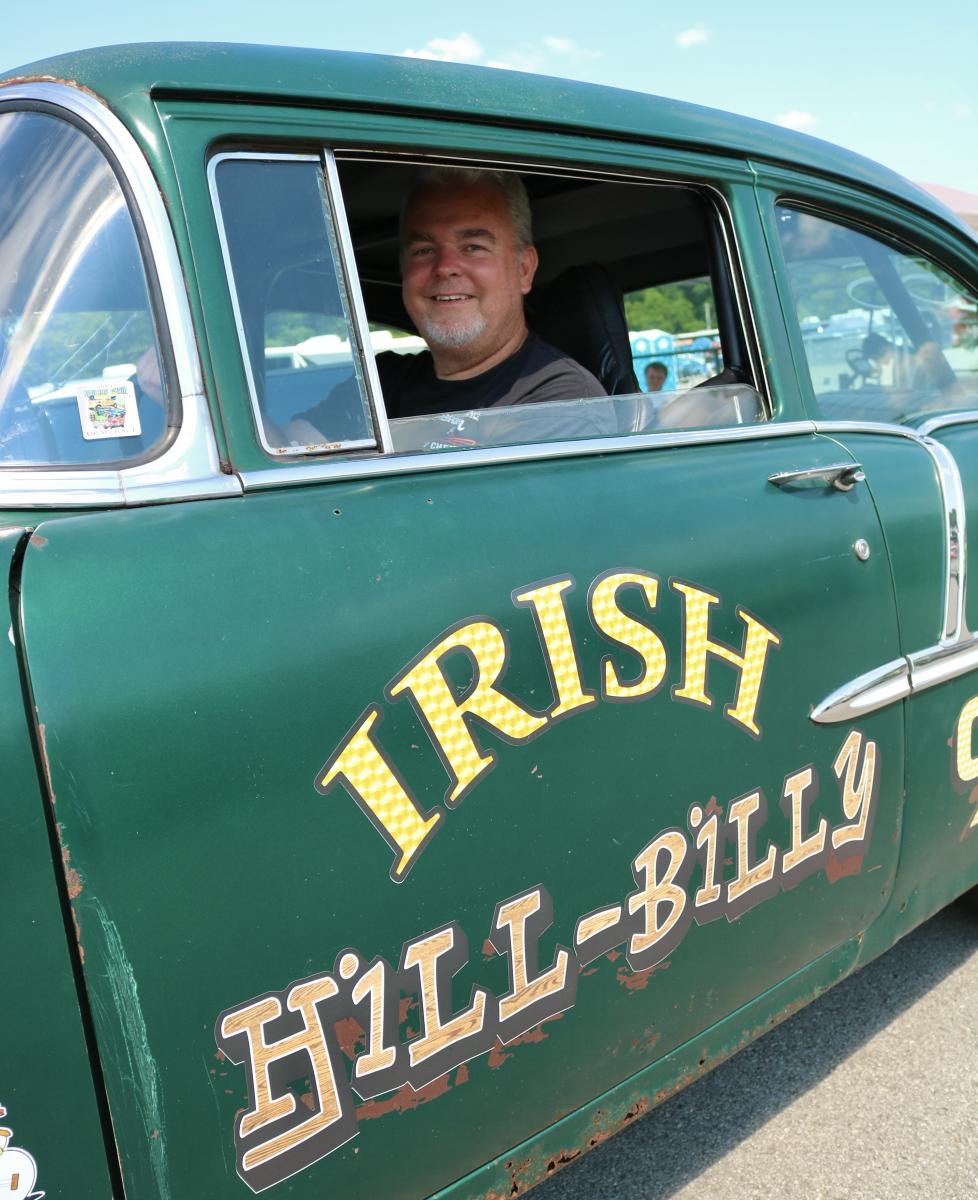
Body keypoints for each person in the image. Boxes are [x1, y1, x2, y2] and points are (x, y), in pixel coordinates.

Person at [286, 167, 606, 444]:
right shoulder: (383, 383)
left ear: (524, 269)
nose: (445, 267)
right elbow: (290, 447)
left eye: (473, 246)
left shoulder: (563, 402)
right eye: (424, 250)